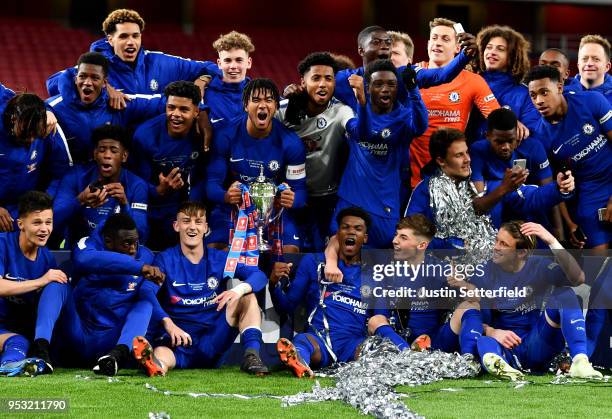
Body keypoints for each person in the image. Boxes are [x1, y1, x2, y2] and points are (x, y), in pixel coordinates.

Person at [132, 201, 269, 376]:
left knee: (247, 297)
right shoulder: (165, 260)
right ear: (176, 226)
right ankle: (155, 366)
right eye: (186, 221)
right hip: (177, 342)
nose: (192, 227)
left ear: (206, 228)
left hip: (212, 339)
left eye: (198, 222)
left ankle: (251, 356)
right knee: (161, 355)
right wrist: (168, 323)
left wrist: (237, 290)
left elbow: (259, 275)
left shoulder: (220, 258)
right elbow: (146, 291)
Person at [273, 207, 406, 377]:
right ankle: (299, 361)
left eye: (358, 229)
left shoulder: (374, 273)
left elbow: (380, 318)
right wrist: (273, 284)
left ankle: (408, 355)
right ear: (338, 234)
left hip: (353, 344)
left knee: (376, 346)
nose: (351, 232)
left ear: (365, 238)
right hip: (319, 340)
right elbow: (287, 306)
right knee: (302, 341)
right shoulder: (314, 263)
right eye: (346, 227)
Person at [405, 128, 575, 253]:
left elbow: (529, 197)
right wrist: (450, 247)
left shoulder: (485, 186)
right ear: (441, 161)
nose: (467, 160)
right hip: (444, 272)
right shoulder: (424, 192)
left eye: (467, 153)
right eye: (459, 155)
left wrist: (558, 188)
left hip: (489, 272)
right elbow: (411, 235)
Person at [37, 213, 164, 376]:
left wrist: (165, 318)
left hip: (111, 339)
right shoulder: (87, 246)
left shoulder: (146, 256)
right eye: (127, 244)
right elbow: (84, 259)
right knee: (56, 284)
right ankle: (40, 350)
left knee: (144, 303)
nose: (133, 249)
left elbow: (149, 291)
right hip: (78, 332)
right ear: (108, 241)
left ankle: (119, 356)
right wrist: (138, 267)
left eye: (135, 243)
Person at [475, 221, 601, 380]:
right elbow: (470, 319)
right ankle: (502, 367)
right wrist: (492, 331)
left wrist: (551, 240)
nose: (496, 247)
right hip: (506, 345)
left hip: (537, 342)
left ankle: (580, 362)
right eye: (496, 241)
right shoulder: (484, 272)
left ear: (521, 253)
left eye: (503, 244)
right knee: (483, 340)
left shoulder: (539, 266)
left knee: (565, 294)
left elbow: (578, 279)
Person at [206, 78, 306, 253]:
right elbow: (211, 184)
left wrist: (292, 199)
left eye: (268, 100)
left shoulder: (291, 143)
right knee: (216, 251)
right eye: (256, 100)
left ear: (276, 106)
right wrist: (226, 196)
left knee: (291, 253)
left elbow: (301, 192)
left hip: (273, 209)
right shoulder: (225, 135)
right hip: (234, 207)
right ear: (245, 105)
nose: (262, 106)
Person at [332, 59, 421, 248]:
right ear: (368, 87)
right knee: (340, 255)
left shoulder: (403, 117)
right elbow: (363, 133)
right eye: (378, 84)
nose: (386, 89)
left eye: (391, 84)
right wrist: (362, 105)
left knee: (380, 263)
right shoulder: (352, 111)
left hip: (385, 203)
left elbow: (420, 126)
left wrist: (413, 90)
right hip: (351, 198)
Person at [365, 214, 483, 357]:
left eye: (403, 237)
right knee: (375, 321)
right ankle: (408, 357)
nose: (394, 241)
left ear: (421, 245)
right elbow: (380, 315)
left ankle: (469, 359)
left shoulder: (439, 268)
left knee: (470, 305)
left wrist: (462, 285)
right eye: (396, 235)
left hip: (434, 342)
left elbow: (476, 297)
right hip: (398, 343)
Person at [46, 9, 219, 102]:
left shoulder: (159, 62)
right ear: (110, 40)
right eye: (123, 36)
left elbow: (212, 67)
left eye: (135, 36)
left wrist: (202, 79)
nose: (131, 42)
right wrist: (104, 87)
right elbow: (52, 84)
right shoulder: (97, 68)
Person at [526, 65, 612, 251]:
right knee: (597, 262)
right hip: (591, 192)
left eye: (544, 92)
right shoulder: (540, 137)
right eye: (533, 95)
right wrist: (570, 224)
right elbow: (558, 185)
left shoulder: (592, 101)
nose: (539, 100)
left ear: (559, 87)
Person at [409, 17, 501, 188]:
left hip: (451, 177)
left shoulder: (474, 81)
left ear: (458, 47)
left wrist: (512, 120)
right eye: (434, 38)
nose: (437, 43)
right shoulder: (412, 75)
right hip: (410, 175)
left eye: (445, 39)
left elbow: (497, 118)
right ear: (428, 43)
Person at [278, 52, 354, 251]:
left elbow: (355, 128)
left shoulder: (341, 112)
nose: (323, 84)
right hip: (289, 197)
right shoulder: (281, 110)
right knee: (290, 257)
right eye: (316, 78)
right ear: (302, 82)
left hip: (326, 198)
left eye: (328, 79)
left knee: (324, 258)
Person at [46, 52, 169, 164]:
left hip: (112, 177)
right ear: (75, 78)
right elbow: (33, 107)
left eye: (95, 78)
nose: (87, 82)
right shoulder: (56, 106)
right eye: (83, 76)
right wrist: (45, 111)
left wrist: (185, 97)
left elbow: (156, 103)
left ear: (105, 83)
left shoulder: (119, 102)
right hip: (73, 178)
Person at [131, 81, 207, 250]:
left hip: (182, 209)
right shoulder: (145, 136)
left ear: (196, 112)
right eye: (171, 107)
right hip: (148, 208)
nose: (175, 114)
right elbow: (136, 182)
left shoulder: (203, 135)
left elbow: (203, 176)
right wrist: (158, 190)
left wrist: (192, 206)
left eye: (184, 109)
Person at [0, 191, 68, 376]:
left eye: (48, 222)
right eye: (37, 222)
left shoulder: (46, 258)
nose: (44, 229)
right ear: (20, 224)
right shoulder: (3, 244)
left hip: (17, 331)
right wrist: (40, 281)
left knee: (20, 342)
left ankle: (9, 366)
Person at [53, 124, 148, 245]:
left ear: (124, 156)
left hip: (118, 253)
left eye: (114, 151)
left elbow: (142, 236)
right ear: (94, 154)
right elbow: (53, 220)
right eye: (102, 150)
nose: (107, 155)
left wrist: (125, 205)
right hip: (80, 250)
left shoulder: (137, 186)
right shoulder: (75, 177)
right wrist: (80, 200)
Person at [0, 93, 72, 231]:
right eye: (26, 133)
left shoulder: (49, 127)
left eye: (37, 135)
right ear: (14, 119)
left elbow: (61, 173)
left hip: (23, 209)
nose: (31, 140)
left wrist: (42, 203)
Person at [473, 25, 539, 141]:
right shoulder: (470, 82)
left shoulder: (524, 94)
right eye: (489, 47)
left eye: (500, 49)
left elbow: (530, 133)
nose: (492, 52)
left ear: (512, 56)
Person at [470, 108, 552, 192]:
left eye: (510, 141)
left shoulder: (534, 147)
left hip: (525, 200)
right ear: (487, 136)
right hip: (494, 201)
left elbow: (549, 194)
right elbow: (479, 198)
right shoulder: (477, 150)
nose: (506, 147)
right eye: (499, 142)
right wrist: (504, 188)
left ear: (517, 135)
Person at [205, 31, 255, 127]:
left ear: (249, 63)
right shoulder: (204, 95)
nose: (233, 66)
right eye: (227, 60)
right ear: (219, 63)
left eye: (239, 60)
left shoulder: (261, 94)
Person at [568, 35, 612, 104]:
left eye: (596, 59)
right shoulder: (564, 94)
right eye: (585, 59)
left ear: (607, 66)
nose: (589, 63)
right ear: (578, 65)